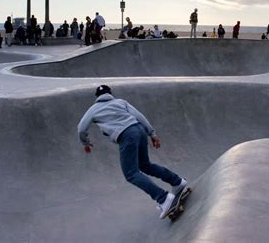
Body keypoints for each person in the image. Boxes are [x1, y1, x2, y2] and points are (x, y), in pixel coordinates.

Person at [77, 85, 188, 219]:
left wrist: (86, 143)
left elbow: (81, 128)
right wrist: (152, 134)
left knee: (131, 173)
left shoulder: (93, 109)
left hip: (126, 135)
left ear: (97, 97)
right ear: (110, 93)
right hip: (139, 129)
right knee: (145, 165)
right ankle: (177, 182)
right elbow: (139, 116)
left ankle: (163, 198)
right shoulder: (120, 102)